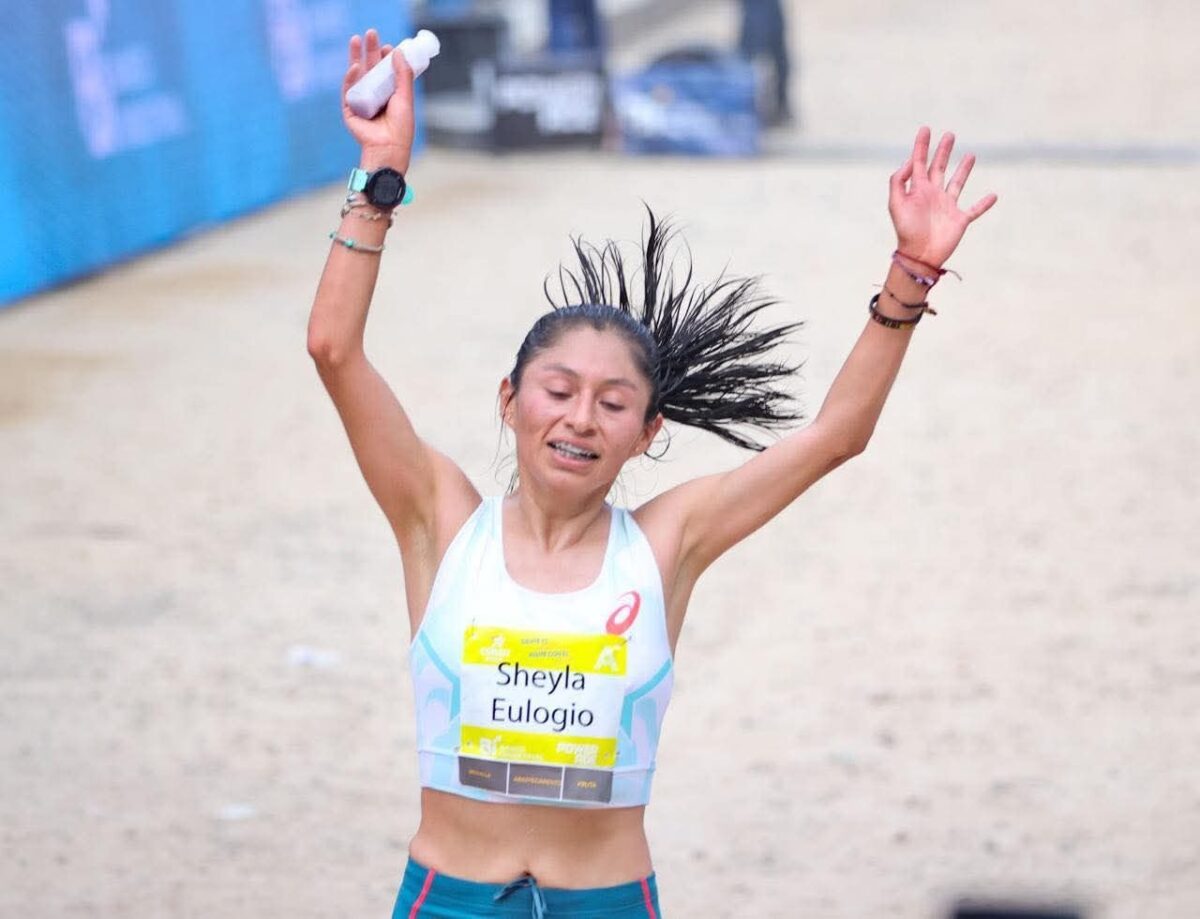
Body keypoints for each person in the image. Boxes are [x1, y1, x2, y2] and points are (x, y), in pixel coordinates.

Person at [308, 30, 997, 919]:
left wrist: (911, 274)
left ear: (648, 432)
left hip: (608, 901)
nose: (580, 418)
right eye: (557, 390)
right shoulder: (438, 520)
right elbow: (333, 349)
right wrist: (380, 177)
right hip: (447, 897)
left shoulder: (667, 543)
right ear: (510, 401)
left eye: (613, 402)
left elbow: (835, 435)